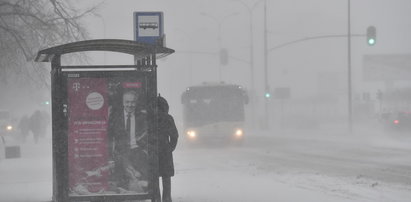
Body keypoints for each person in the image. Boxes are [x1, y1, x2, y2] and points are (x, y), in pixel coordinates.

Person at [108, 89, 149, 193]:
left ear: (136, 102)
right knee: (121, 183)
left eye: (133, 102)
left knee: (142, 182)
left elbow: (148, 135)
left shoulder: (143, 117)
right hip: (121, 153)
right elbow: (109, 137)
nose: (130, 105)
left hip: (137, 151)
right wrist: (110, 156)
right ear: (123, 102)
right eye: (127, 102)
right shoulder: (115, 117)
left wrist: (145, 150)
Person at [155, 95, 178, 202]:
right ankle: (167, 198)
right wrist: (170, 148)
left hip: (152, 150)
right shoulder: (168, 118)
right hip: (165, 150)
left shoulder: (150, 117)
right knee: (166, 177)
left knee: (153, 177)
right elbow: (174, 135)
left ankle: (156, 198)